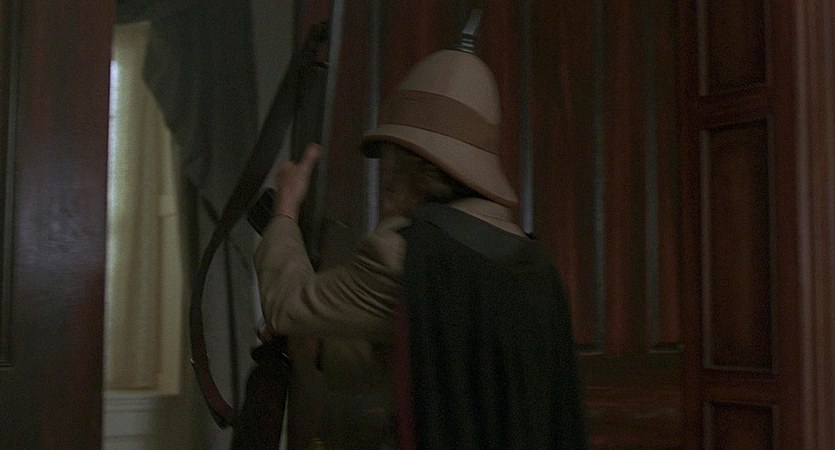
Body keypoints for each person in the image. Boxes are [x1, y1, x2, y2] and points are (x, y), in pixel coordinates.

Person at [255, 47, 587, 449]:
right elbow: (433, 363)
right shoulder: (536, 269)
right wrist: (319, 345)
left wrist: (286, 207)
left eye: (394, 159)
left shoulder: (406, 255)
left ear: (412, 164)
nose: (388, 175)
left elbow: (284, 303)